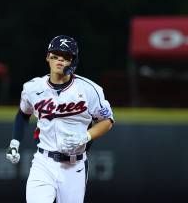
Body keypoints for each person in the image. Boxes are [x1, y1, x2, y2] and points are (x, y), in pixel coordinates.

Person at [6, 35, 114, 203]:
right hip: (43, 162)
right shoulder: (32, 88)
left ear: (73, 61)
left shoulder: (89, 89)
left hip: (74, 166)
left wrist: (86, 136)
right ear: (48, 57)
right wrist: (14, 143)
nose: (60, 60)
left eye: (66, 56)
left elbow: (107, 121)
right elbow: (22, 114)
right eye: (55, 55)